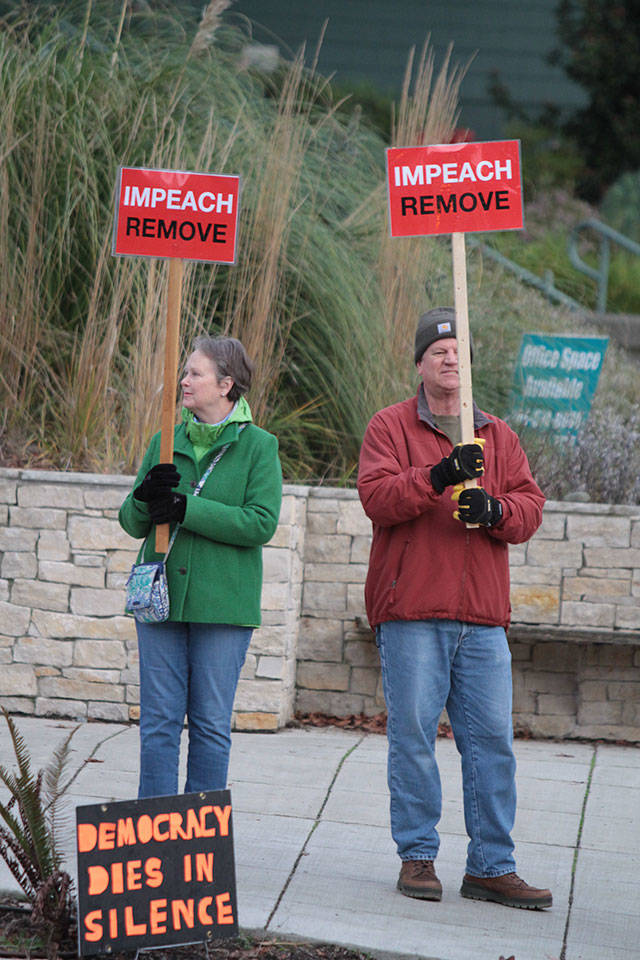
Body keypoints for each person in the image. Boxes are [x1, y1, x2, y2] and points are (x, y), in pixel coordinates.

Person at [357, 307, 552, 910]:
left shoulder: (499, 436)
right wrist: (439, 474)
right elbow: (377, 498)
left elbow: (530, 506)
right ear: (420, 364)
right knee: (414, 738)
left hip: (482, 619)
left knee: (492, 743)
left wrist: (495, 511)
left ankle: (491, 866)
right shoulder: (390, 427)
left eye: (458, 351)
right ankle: (417, 856)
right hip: (413, 610)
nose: (449, 359)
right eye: (438, 351)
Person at [119, 335, 282, 798]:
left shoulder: (259, 446)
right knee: (158, 723)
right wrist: (145, 496)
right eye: (185, 372)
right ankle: (154, 828)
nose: (184, 381)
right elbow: (132, 523)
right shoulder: (165, 441)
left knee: (210, 724)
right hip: (159, 601)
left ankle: (199, 835)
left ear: (226, 384)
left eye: (195, 373)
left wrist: (185, 508)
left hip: (223, 606)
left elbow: (260, 522)